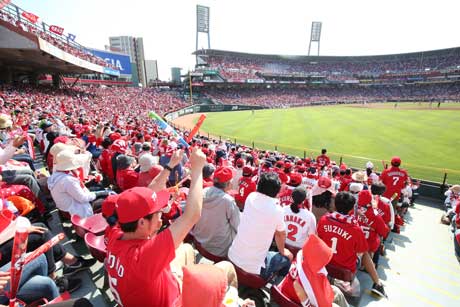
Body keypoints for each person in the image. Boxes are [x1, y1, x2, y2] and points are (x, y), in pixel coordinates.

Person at [105, 148, 206, 307]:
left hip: (143, 284)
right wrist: (198, 169)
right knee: (224, 269)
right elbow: (192, 215)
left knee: (186, 248)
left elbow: (150, 190)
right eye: (158, 212)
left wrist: (171, 165)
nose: (161, 215)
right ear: (142, 223)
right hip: (171, 301)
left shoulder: (116, 232)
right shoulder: (145, 256)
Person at [316, 191, 387, 298]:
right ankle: (377, 283)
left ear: (335, 205)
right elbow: (361, 251)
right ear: (351, 209)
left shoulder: (324, 219)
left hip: (324, 263)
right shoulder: (355, 229)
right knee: (364, 254)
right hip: (344, 270)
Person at [228, 172, 293, 281]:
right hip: (253, 268)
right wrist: (282, 251)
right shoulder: (277, 210)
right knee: (288, 257)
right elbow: (281, 234)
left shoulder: (251, 197)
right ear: (276, 191)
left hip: (232, 255)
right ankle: (277, 285)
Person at [278, 234, 348, 307]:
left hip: (289, 292)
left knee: (336, 291)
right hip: (297, 301)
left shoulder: (301, 260)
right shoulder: (300, 283)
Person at [191, 166, 240, 257]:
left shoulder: (204, 191)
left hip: (199, 240)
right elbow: (238, 226)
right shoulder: (228, 201)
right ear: (228, 183)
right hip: (217, 250)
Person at [47, 150, 108, 217]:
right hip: (76, 210)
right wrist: (101, 193)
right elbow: (83, 198)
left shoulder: (56, 175)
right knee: (108, 199)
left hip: (66, 208)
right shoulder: (68, 180)